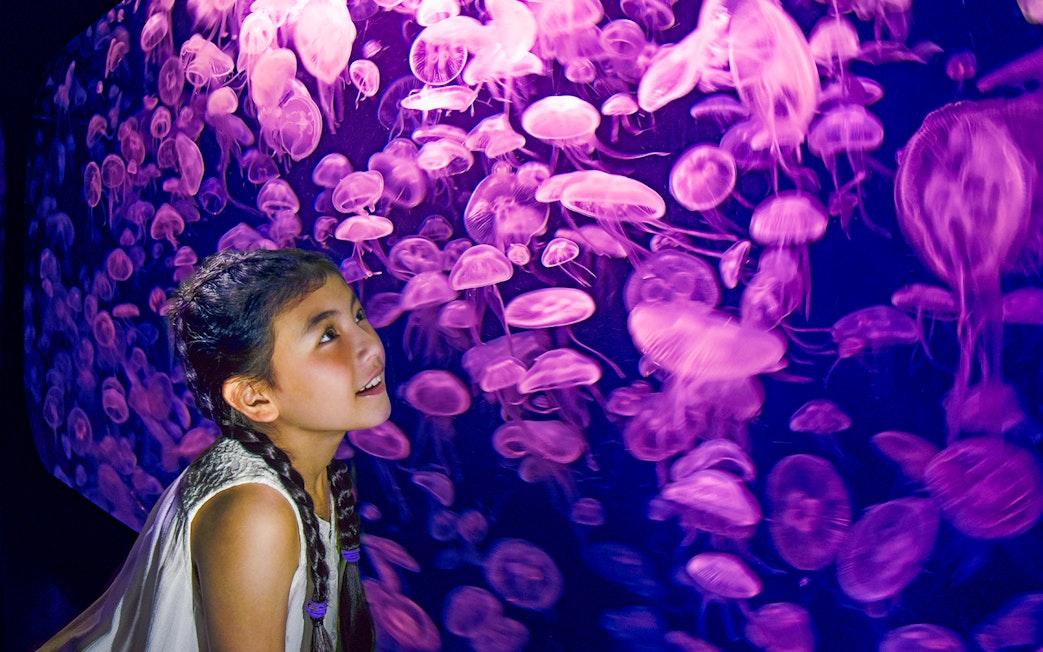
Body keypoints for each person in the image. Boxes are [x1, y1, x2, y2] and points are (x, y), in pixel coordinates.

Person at [40, 248, 390, 651]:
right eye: (328, 335)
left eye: (359, 316)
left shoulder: (317, 474)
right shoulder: (256, 513)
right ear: (255, 397)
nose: (369, 346)